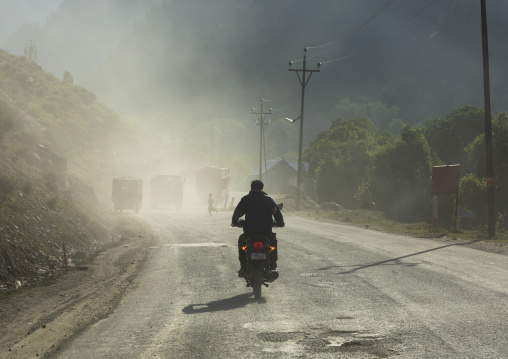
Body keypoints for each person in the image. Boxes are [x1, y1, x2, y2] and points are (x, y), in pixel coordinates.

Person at [231, 180, 284, 277]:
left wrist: (235, 222)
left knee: (241, 241)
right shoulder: (269, 200)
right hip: (266, 233)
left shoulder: (245, 199)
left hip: (249, 233)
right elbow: (277, 214)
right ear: (262, 188)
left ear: (251, 187)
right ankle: (272, 266)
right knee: (273, 242)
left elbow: (237, 213)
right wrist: (280, 223)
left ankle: (243, 267)